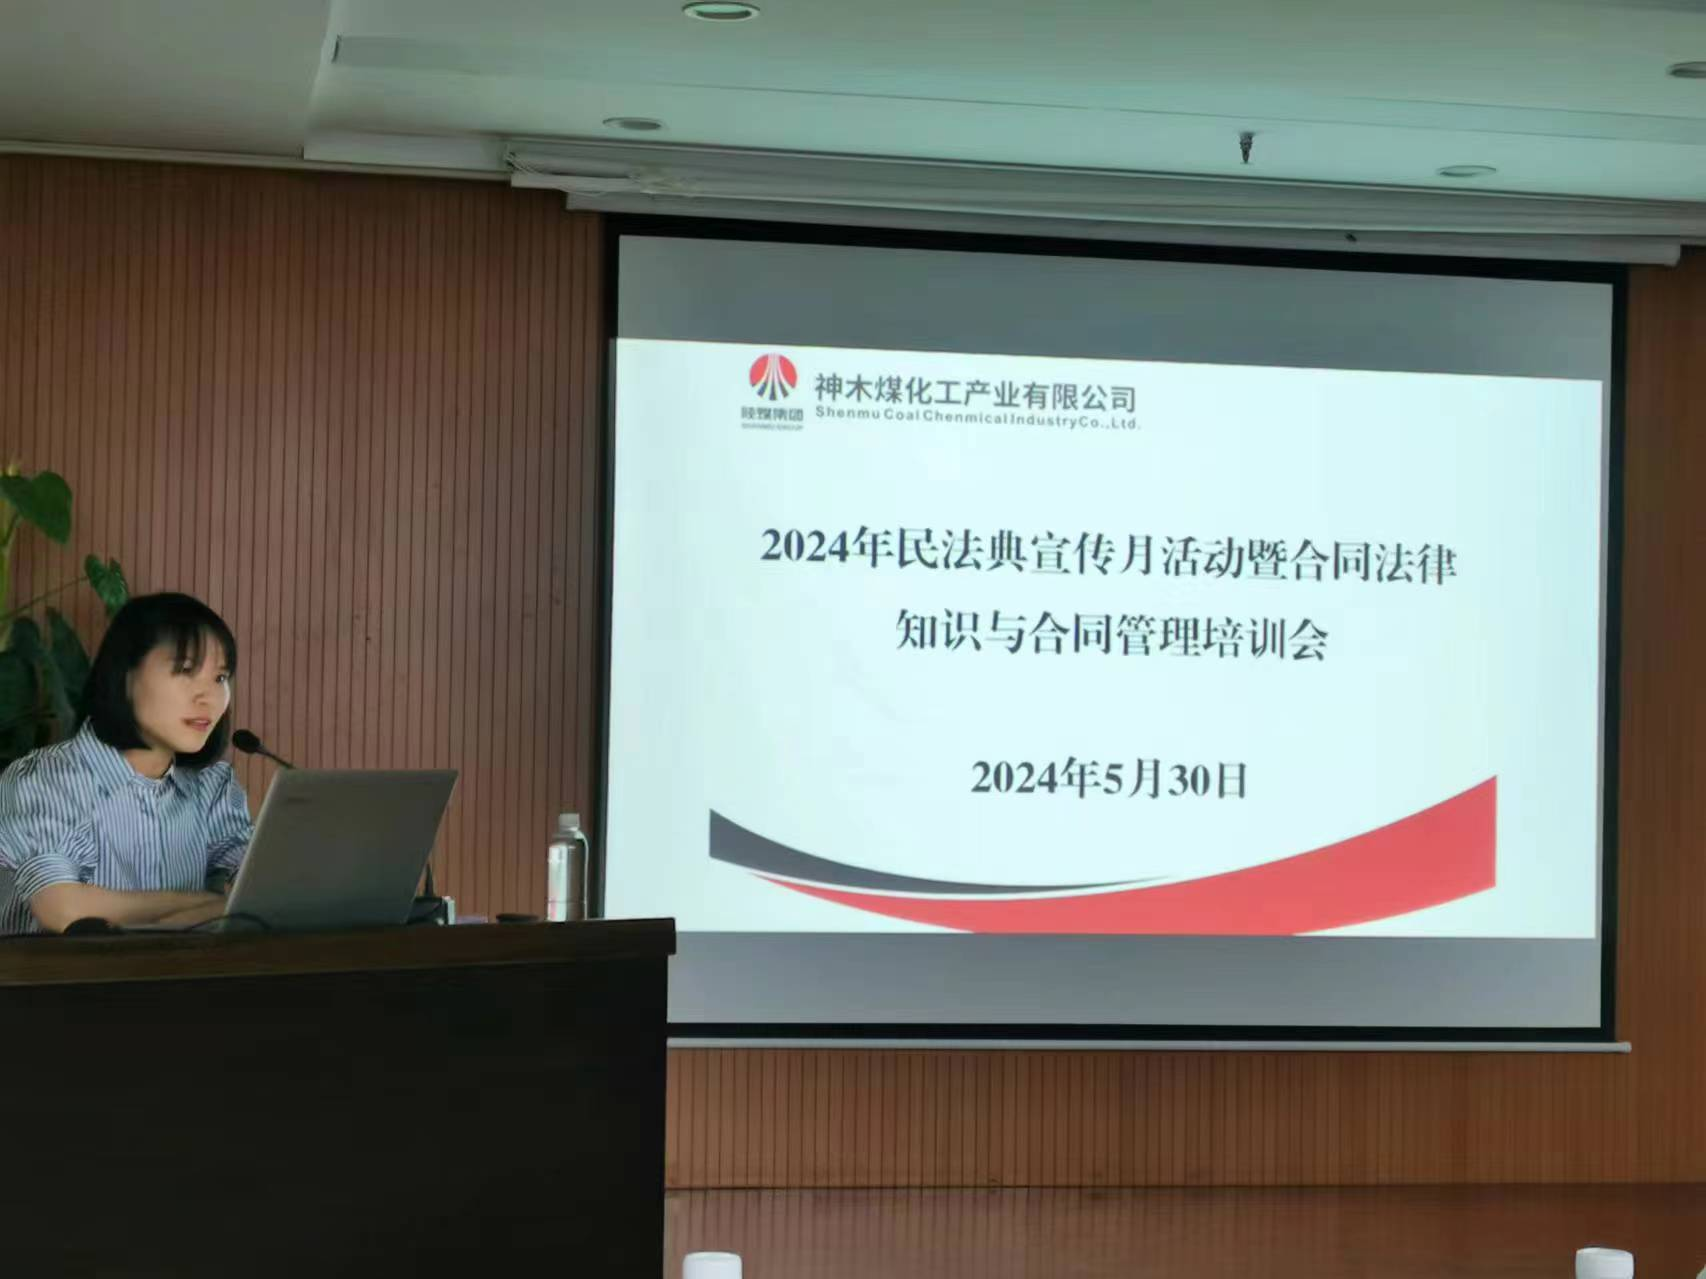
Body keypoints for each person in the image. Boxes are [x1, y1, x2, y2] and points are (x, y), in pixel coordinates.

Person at [0, 592, 253, 934]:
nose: (208, 696)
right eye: (185, 670)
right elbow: (65, 910)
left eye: (220, 678)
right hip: (55, 971)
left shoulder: (213, 786)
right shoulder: (44, 780)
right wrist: (210, 905)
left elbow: (260, 897)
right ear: (126, 675)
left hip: (183, 970)